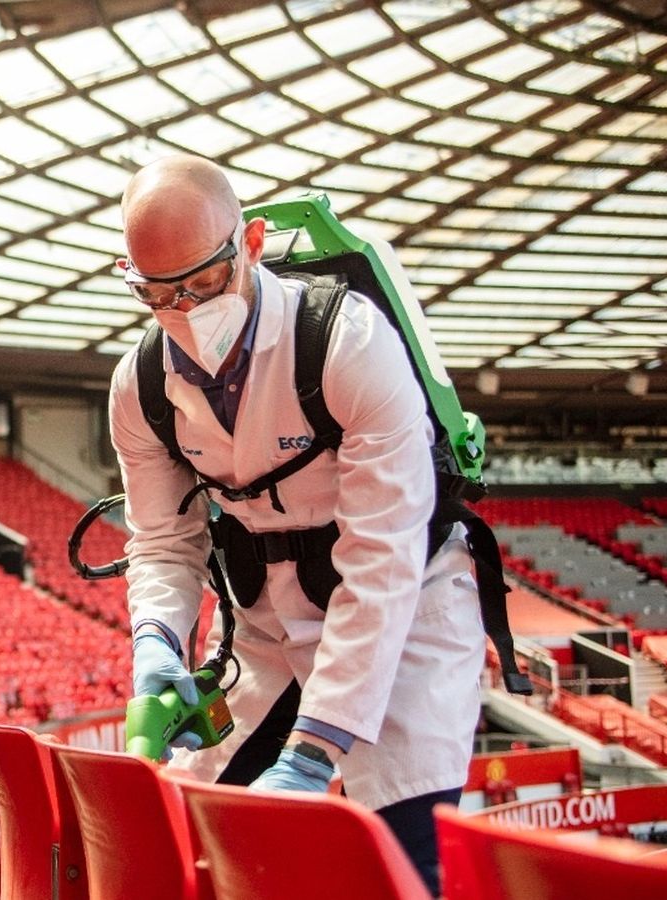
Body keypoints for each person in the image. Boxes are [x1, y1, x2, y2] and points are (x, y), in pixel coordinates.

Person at [109, 154, 484, 895]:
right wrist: (156, 642)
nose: (184, 310)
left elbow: (383, 558)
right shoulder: (139, 384)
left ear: (249, 245)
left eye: (204, 281)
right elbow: (161, 542)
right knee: (199, 837)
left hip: (403, 622)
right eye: (157, 292)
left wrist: (315, 750)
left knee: (407, 863)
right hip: (265, 626)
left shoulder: (349, 344)